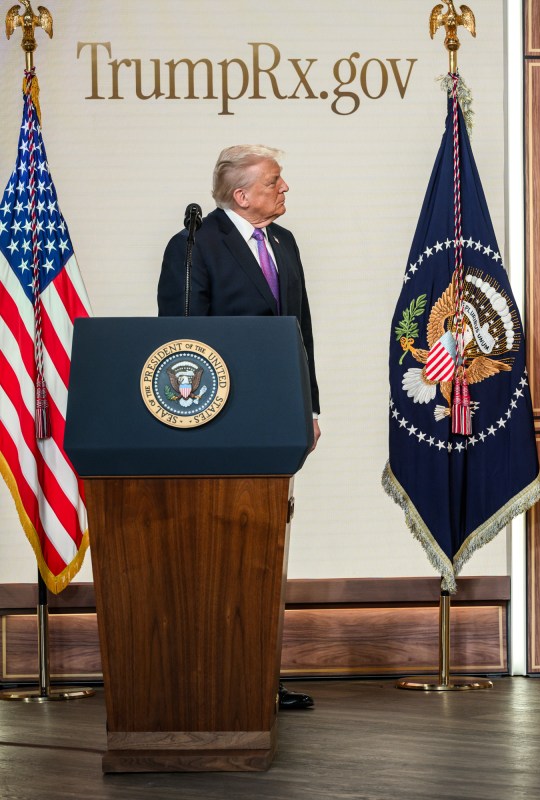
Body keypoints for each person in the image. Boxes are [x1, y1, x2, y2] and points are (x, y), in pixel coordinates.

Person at [158, 144, 320, 709]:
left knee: (264, 549)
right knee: (221, 551)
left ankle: (258, 683)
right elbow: (179, 339)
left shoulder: (284, 242)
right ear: (242, 195)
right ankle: (215, 681)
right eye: (276, 181)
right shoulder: (194, 246)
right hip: (221, 419)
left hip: (278, 418)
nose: (285, 188)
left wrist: (311, 405)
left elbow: (301, 331)